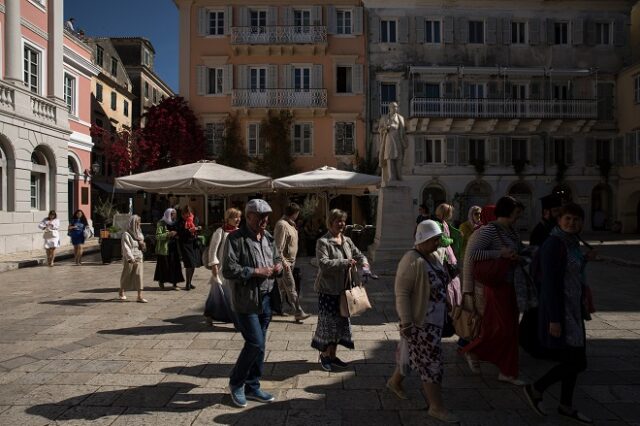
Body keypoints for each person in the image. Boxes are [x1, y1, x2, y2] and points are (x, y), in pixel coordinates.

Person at [523, 203, 595, 424]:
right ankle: (536, 388)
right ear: (559, 220)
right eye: (567, 219)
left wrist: (585, 259)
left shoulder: (571, 243)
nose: (572, 223)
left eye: (576, 219)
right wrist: (554, 319)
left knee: (573, 358)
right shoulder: (554, 244)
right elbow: (550, 284)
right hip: (561, 310)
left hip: (573, 308)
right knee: (578, 361)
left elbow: (571, 271)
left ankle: (566, 405)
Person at [387, 220, 459, 424]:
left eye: (438, 239)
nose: (438, 243)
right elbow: (402, 293)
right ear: (423, 239)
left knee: (410, 355)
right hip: (421, 324)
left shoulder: (434, 256)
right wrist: (406, 322)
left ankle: (394, 382)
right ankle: (436, 407)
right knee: (431, 363)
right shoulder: (411, 260)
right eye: (434, 240)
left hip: (435, 321)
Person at [222, 199, 283, 408]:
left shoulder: (268, 237)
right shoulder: (235, 239)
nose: (265, 220)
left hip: (266, 298)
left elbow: (277, 259)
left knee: (261, 343)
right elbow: (228, 270)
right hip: (246, 300)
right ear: (248, 217)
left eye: (267, 215)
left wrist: (278, 267)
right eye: (260, 216)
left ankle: (252, 385)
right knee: (255, 342)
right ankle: (236, 382)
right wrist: (255, 271)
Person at [460, 196, 526, 384]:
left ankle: (508, 371)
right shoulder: (489, 230)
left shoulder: (511, 231)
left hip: (510, 283)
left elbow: (520, 249)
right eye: (516, 214)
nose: (518, 217)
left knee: (511, 329)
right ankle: (473, 350)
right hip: (496, 286)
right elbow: (471, 255)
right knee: (502, 329)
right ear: (507, 213)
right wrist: (501, 253)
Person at [311, 209, 370, 372]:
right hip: (328, 290)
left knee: (340, 324)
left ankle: (333, 356)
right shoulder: (323, 242)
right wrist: (344, 262)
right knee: (327, 324)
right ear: (331, 222)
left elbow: (359, 255)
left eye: (343, 221)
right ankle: (324, 355)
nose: (342, 224)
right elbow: (323, 263)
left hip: (344, 290)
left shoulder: (347, 241)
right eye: (338, 220)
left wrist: (365, 264)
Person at [274, 202, 310, 322]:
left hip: (291, 261)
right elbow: (278, 246)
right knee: (291, 287)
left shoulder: (291, 225)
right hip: (285, 263)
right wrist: (283, 262)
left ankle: (280, 308)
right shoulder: (282, 225)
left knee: (283, 288)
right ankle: (298, 311)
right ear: (295, 213)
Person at [204, 207, 241, 324]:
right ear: (228, 218)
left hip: (235, 268)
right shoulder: (220, 231)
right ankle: (210, 315)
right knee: (218, 294)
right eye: (235, 217)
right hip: (221, 269)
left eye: (239, 217)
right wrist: (214, 264)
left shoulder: (239, 232)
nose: (238, 219)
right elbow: (212, 250)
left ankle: (230, 316)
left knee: (231, 294)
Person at [378, 101, 407, 186]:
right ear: (390, 108)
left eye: (396, 107)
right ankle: (392, 176)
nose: (395, 108)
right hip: (389, 139)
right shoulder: (384, 118)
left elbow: (403, 130)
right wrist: (385, 129)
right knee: (390, 157)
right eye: (393, 107)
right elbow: (379, 129)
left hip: (398, 139)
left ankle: (399, 176)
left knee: (399, 158)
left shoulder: (400, 118)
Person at [154, 208, 184, 290]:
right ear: (168, 214)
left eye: (175, 213)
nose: (174, 215)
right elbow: (157, 236)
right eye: (172, 213)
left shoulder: (176, 223)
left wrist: (178, 235)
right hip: (164, 248)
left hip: (174, 247)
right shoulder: (161, 223)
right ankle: (161, 281)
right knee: (164, 266)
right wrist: (168, 234)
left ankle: (175, 283)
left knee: (175, 265)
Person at [119, 215, 147, 303]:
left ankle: (139, 296)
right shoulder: (126, 234)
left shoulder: (139, 233)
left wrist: (143, 245)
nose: (139, 224)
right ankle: (121, 290)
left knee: (139, 275)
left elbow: (142, 243)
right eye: (137, 223)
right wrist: (130, 258)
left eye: (139, 222)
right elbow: (126, 247)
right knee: (127, 274)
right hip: (130, 258)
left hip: (139, 256)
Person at [176, 206, 202, 290]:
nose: (187, 217)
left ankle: (190, 282)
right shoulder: (180, 221)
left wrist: (198, 228)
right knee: (188, 264)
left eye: (188, 215)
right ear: (182, 214)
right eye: (185, 216)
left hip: (193, 243)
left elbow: (198, 228)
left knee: (193, 264)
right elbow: (180, 233)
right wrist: (189, 231)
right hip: (185, 244)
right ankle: (187, 284)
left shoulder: (194, 219)